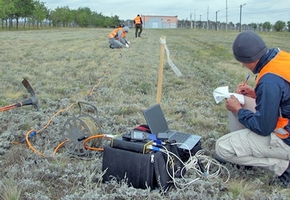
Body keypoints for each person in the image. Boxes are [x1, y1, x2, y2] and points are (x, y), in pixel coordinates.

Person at [215, 30, 290, 187]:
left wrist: (238, 111)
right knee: (243, 101)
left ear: (248, 59)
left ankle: (283, 167)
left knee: (221, 148)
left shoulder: (269, 81)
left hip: (286, 138)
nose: (242, 65)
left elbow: (263, 127)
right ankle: (246, 145)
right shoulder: (280, 58)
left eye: (242, 62)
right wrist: (255, 94)